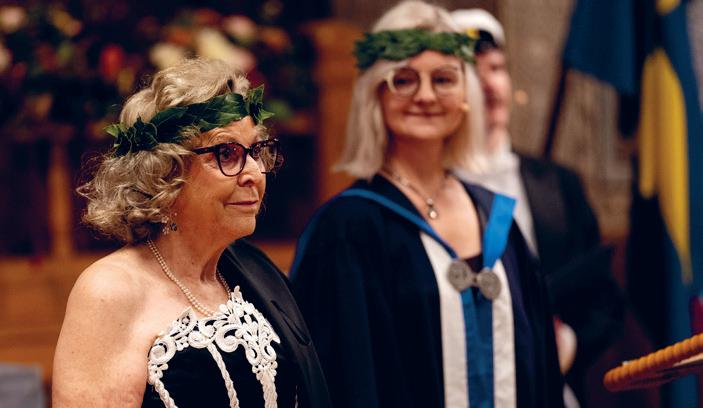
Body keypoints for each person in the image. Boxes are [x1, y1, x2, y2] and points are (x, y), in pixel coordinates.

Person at [289, 2, 563, 407]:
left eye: (444, 79)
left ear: (466, 95)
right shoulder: (347, 231)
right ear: (376, 94)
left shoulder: (497, 218)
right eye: (403, 80)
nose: (425, 95)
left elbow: (541, 367)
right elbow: (345, 378)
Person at [52, 58, 331, 407]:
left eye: (256, 151)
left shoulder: (255, 271)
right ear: (165, 173)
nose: (253, 174)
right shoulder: (111, 290)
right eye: (226, 153)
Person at [451, 9, 625, 407]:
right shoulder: (432, 192)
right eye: (472, 73)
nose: (489, 85)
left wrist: (568, 343)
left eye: (497, 68)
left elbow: (604, 299)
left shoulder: (558, 184)